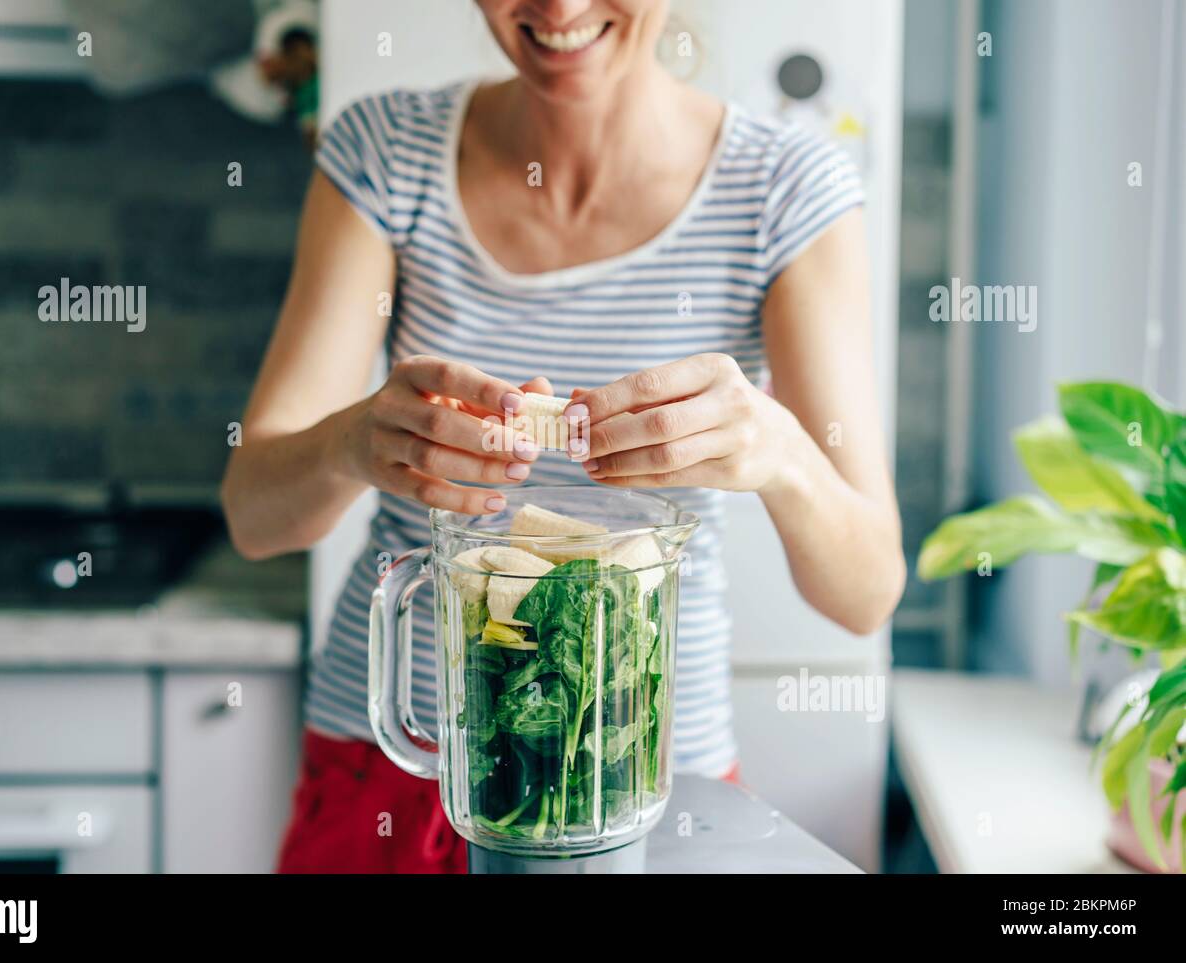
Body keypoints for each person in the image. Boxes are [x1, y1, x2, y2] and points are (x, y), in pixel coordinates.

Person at [220, 0, 905, 874]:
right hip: (398, 766)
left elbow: (866, 592)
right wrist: (352, 441)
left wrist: (778, 451)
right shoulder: (385, 150)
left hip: (639, 783)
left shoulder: (786, 187)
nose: (560, 8)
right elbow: (255, 515)